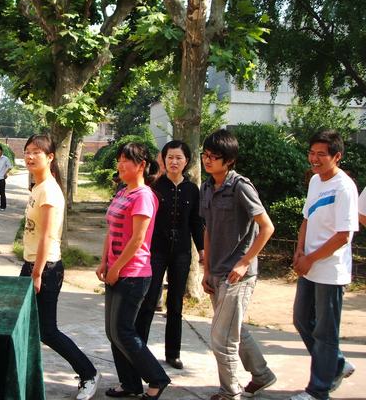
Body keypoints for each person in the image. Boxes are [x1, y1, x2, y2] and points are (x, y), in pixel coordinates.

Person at [20, 134, 101, 400]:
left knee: (47, 330)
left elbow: (47, 236)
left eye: (37, 152)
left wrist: (37, 273)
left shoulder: (50, 191)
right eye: (28, 151)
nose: (30, 156)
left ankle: (88, 373)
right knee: (27, 326)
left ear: (50, 157)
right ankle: (24, 376)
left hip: (46, 268)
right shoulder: (37, 186)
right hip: (32, 264)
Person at [200, 129, 276, 400]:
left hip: (237, 277)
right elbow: (208, 229)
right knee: (236, 329)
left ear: (229, 160)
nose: (207, 160)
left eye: (214, 157)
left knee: (222, 340)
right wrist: (206, 269)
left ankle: (230, 392)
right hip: (216, 272)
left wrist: (244, 262)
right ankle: (262, 374)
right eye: (205, 155)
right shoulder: (207, 186)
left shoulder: (241, 186)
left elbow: (266, 227)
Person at [97, 142, 170, 399]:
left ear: (141, 165)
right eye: (119, 160)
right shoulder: (122, 193)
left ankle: (157, 378)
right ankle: (129, 384)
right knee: (113, 332)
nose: (120, 165)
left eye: (126, 160)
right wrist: (105, 261)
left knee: (123, 331)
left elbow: (138, 239)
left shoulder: (144, 196)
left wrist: (117, 267)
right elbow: (111, 229)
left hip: (134, 274)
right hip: (115, 270)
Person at [290, 130, 358, 400]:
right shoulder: (316, 181)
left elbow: (344, 235)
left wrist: (310, 258)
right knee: (301, 320)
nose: (314, 159)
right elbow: (307, 218)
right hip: (309, 266)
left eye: (321, 154)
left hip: (330, 271)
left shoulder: (344, 187)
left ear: (337, 156)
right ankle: (337, 364)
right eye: (312, 153)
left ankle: (318, 391)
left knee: (325, 331)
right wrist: (299, 251)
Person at [136, 140, 204, 370]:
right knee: (148, 300)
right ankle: (138, 350)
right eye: (170, 157)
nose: (174, 162)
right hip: (155, 252)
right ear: (163, 160)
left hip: (182, 254)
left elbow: (196, 222)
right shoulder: (154, 186)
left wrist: (202, 251)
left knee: (175, 304)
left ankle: (173, 352)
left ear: (187, 161)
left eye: (179, 158)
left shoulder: (192, 189)